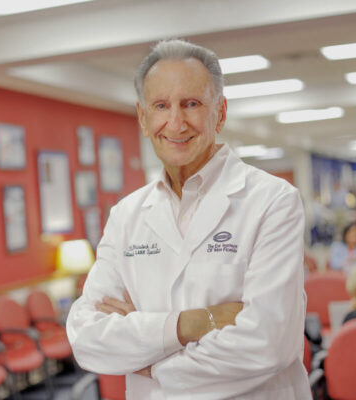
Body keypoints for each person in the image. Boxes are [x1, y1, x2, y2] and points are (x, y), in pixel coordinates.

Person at [66, 39, 310, 399]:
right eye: (161, 106)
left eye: (191, 104)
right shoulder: (126, 216)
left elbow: (267, 344)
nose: (176, 122)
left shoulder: (273, 202)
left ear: (221, 113)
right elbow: (87, 338)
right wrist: (189, 324)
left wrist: (150, 363)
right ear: (144, 119)